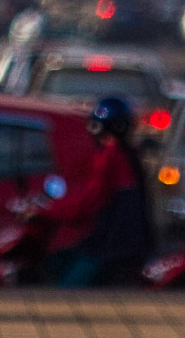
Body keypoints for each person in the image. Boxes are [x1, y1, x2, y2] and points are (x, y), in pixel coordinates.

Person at [44, 95, 153, 286]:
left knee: (69, 283)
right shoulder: (127, 155)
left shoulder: (111, 156)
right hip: (123, 242)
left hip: (112, 246)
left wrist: (48, 211)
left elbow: (91, 199)